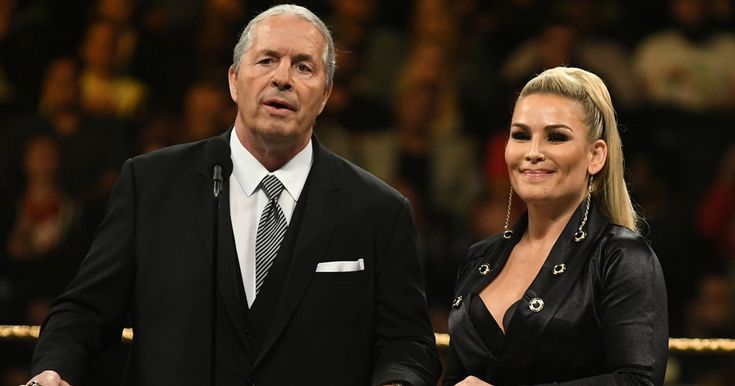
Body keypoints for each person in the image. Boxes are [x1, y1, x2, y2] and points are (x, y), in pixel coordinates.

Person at [26, 4, 440, 386]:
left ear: (326, 95)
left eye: (303, 67)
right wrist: (53, 370)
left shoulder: (378, 211)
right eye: (266, 60)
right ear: (233, 81)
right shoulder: (151, 184)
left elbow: (408, 343)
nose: (282, 77)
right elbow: (85, 312)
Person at [443, 66, 668, 385]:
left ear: (596, 155)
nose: (533, 152)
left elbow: (638, 381)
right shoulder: (480, 258)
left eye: (556, 137)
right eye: (520, 135)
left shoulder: (622, 257)